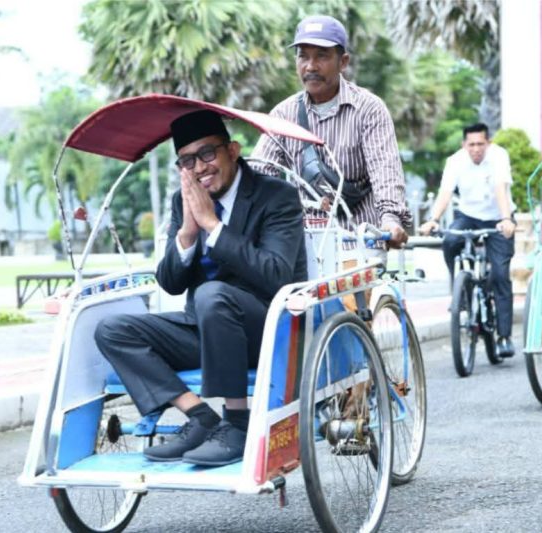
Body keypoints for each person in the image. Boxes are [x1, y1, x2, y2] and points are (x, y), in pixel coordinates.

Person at [94, 110, 307, 466]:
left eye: (208, 153)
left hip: (267, 331)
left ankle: (237, 422)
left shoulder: (276, 196)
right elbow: (171, 283)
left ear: (233, 151)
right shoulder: (184, 201)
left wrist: (212, 224)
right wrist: (188, 234)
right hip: (204, 328)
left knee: (212, 294)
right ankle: (200, 418)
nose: (200, 167)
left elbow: (277, 274)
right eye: (188, 160)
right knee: (113, 330)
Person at [250, 14, 411, 250]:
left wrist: (390, 219)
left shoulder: (369, 108)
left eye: (322, 56)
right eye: (303, 56)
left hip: (360, 239)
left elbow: (385, 171)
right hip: (303, 241)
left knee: (368, 286)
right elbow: (260, 174)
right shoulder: (283, 114)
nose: (310, 66)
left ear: (343, 62)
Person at [419, 123, 517, 357]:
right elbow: (445, 192)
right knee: (450, 240)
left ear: (488, 143)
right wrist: (433, 219)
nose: (476, 149)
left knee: (501, 275)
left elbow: (500, 188)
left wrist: (506, 219)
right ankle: (460, 288)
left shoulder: (499, 156)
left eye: (480, 144)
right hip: (468, 216)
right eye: (471, 144)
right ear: (464, 145)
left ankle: (504, 337)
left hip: (497, 217)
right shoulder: (455, 161)